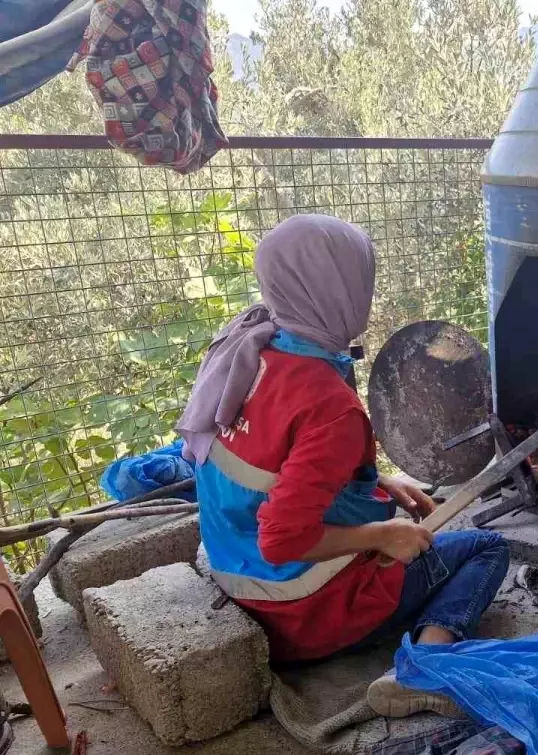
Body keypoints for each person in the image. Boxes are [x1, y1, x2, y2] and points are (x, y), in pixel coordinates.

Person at [177, 213, 509, 717]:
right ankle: (424, 669)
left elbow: (278, 462)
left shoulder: (248, 349)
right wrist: (382, 536)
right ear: (343, 290)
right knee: (487, 548)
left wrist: (372, 480)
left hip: (235, 575)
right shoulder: (329, 405)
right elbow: (282, 538)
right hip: (300, 611)